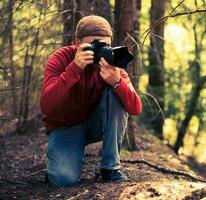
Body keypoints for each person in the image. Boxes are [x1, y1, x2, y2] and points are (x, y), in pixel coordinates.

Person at [40, 15, 142, 187]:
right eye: (95, 46)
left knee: (117, 95)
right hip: (65, 127)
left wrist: (117, 82)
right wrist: (74, 68)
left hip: (94, 123)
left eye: (106, 46)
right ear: (77, 43)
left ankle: (110, 168)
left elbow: (135, 108)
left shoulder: (111, 64)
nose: (101, 52)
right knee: (64, 179)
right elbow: (46, 106)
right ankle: (60, 159)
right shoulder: (61, 58)